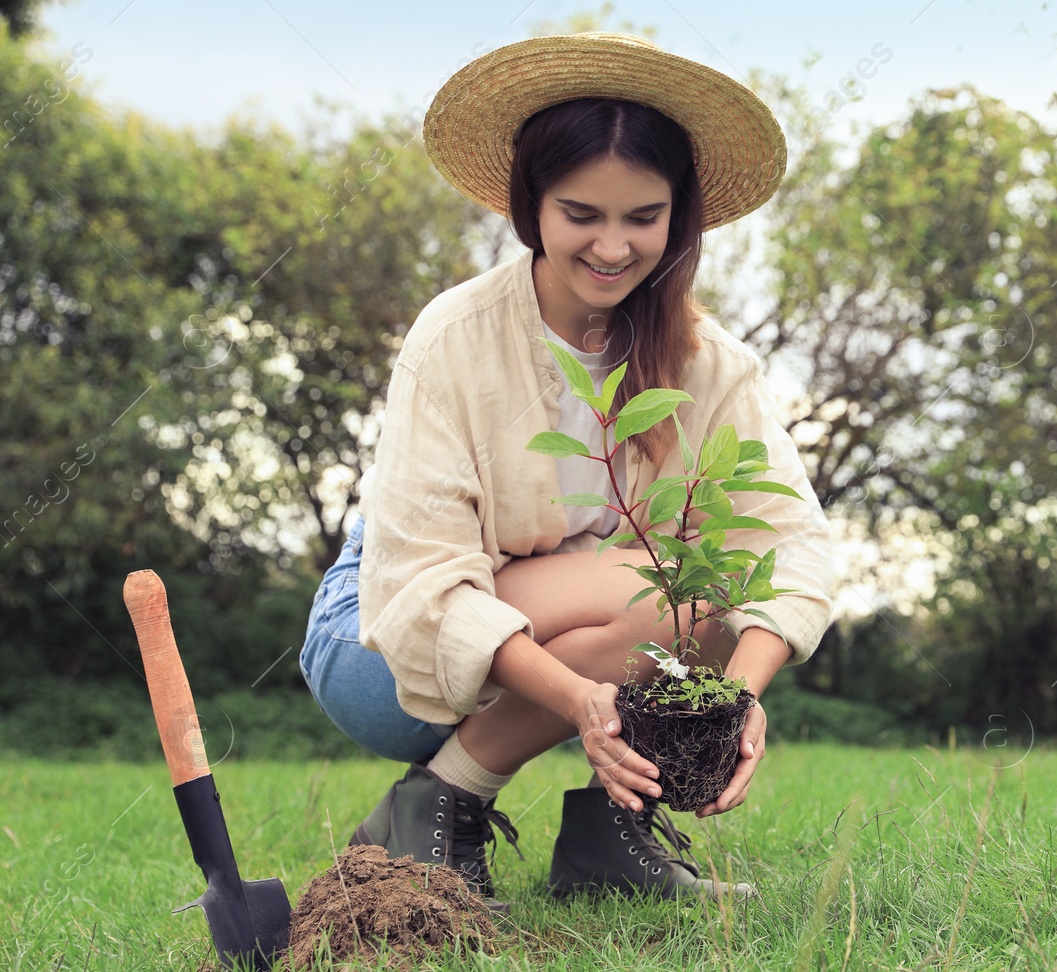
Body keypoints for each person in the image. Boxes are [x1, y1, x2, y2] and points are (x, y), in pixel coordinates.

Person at [297, 32, 836, 909]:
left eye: (642, 217)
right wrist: (584, 700)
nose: (614, 247)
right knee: (675, 592)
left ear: (679, 216)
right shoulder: (454, 338)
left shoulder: (709, 362)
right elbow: (424, 586)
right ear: (530, 207)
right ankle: (441, 796)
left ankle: (604, 841)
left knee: (704, 591)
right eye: (582, 214)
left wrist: (733, 696)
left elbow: (788, 545)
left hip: (574, 628)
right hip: (385, 646)